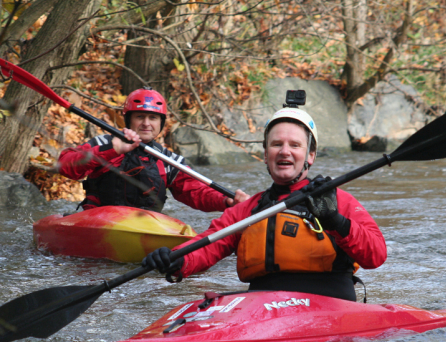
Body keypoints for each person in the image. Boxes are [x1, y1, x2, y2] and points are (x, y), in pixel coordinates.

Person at [143, 106, 387, 301]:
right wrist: (176, 260)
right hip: (262, 306)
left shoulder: (338, 201)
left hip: (330, 303)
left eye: (295, 145)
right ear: (265, 153)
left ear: (310, 155)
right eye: (276, 144)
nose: (284, 151)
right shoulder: (248, 209)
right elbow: (209, 245)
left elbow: (376, 255)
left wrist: (336, 220)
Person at [58, 87, 249, 213]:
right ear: (129, 120)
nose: (146, 124)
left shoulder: (168, 160)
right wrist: (112, 150)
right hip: (97, 220)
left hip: (144, 225)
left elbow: (197, 191)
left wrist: (226, 201)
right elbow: (65, 166)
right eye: (140, 117)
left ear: (161, 123)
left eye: (153, 118)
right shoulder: (104, 143)